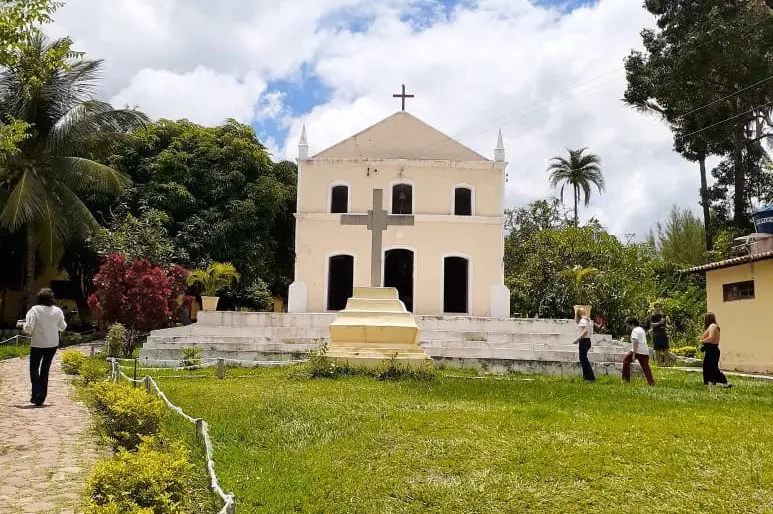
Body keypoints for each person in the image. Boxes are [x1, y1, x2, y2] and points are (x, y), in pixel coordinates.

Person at [17, 288, 67, 406]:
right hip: (52, 344)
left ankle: (36, 393)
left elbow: (29, 328)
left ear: (39, 298)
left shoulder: (35, 310)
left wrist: (22, 325)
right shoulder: (57, 310)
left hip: (38, 344)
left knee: (34, 368)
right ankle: (41, 397)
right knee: (45, 370)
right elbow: (63, 327)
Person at [701, 312, 731, 389]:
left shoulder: (712, 326)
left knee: (709, 367)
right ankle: (723, 382)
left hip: (712, 350)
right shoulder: (714, 326)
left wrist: (703, 341)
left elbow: (711, 338)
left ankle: (711, 383)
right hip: (713, 349)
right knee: (713, 367)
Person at [622, 316, 655, 386]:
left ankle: (625, 380)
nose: (628, 327)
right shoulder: (641, 329)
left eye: (628, 325)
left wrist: (634, 354)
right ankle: (651, 383)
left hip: (637, 350)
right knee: (646, 368)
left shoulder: (634, 330)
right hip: (645, 351)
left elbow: (636, 342)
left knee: (626, 361)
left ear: (632, 324)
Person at [571, 308, 595, 382]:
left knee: (583, 359)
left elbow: (585, 331)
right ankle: (587, 377)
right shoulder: (588, 320)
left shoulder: (582, 320)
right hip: (588, 341)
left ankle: (589, 377)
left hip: (584, 341)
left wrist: (577, 339)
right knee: (583, 359)